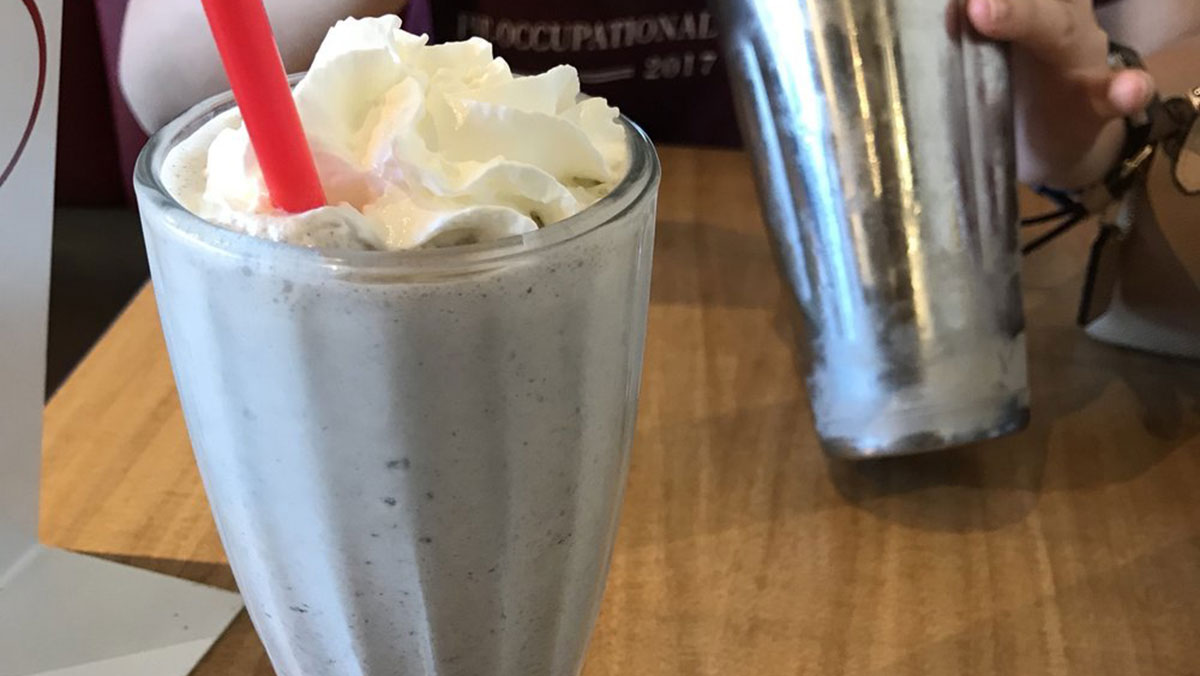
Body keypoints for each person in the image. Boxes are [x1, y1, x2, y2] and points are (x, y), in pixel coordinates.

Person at [118, 0, 1200, 353]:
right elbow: (167, 82)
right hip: (437, 335)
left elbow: (1157, 78)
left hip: (926, 348)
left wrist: (1092, 138)